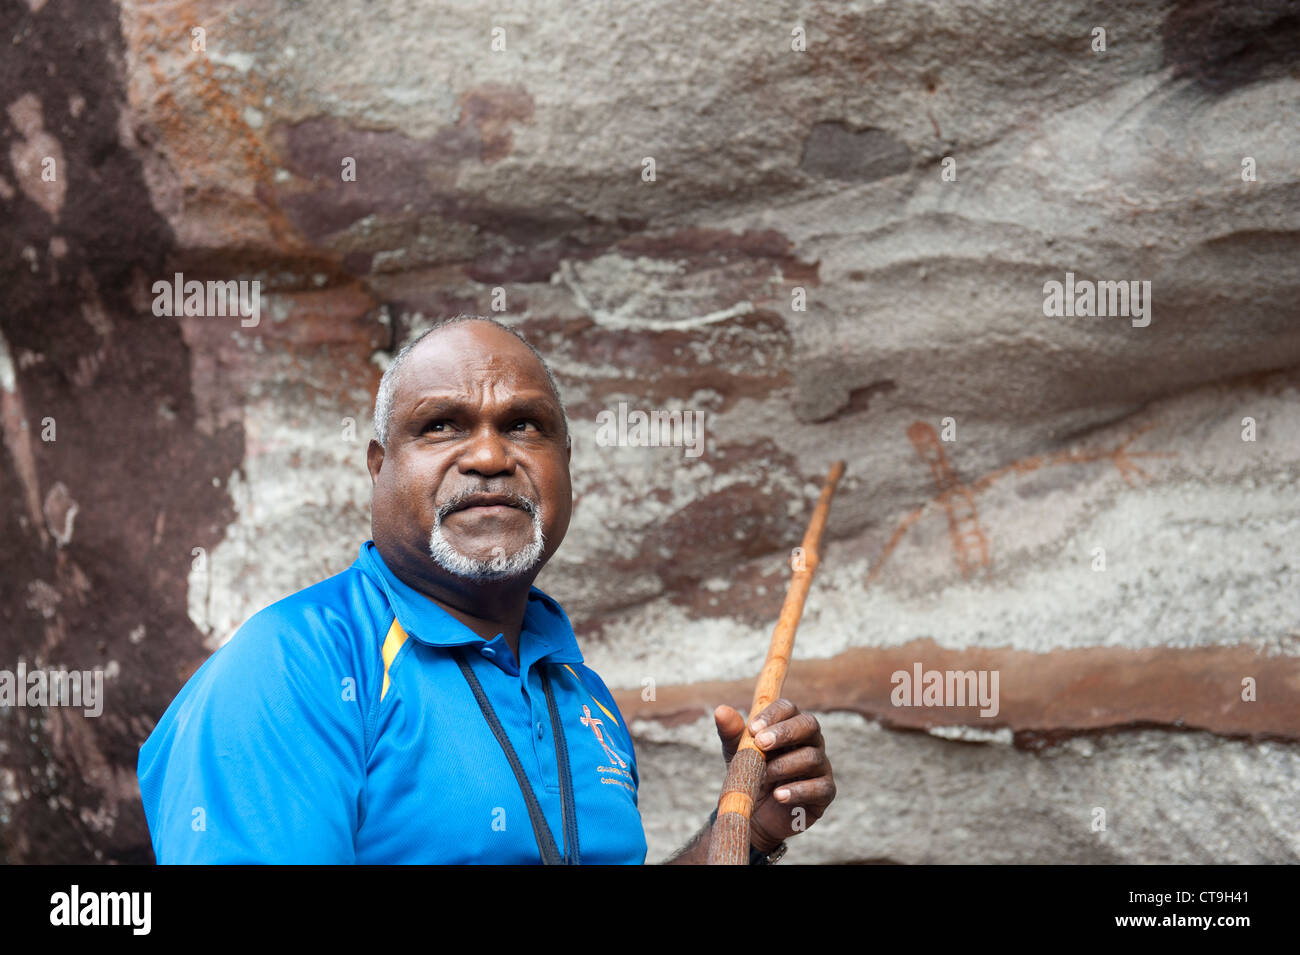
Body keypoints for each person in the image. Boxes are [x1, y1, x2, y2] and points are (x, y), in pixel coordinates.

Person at [137, 314, 836, 863]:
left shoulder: (577, 689)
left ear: (567, 467)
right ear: (378, 467)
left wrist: (741, 833)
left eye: (523, 425)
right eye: (441, 425)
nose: (490, 455)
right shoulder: (293, 668)